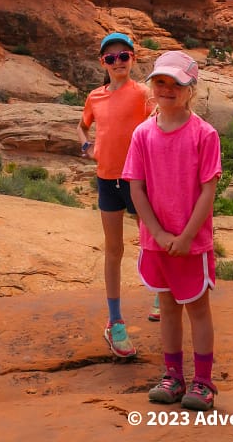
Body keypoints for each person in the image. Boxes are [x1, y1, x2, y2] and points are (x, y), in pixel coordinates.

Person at [122, 50, 221, 412]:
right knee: (166, 306)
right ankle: (173, 376)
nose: (167, 89)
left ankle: (204, 382)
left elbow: (208, 189)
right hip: (157, 240)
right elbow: (136, 188)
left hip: (191, 243)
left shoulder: (204, 134)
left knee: (197, 307)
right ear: (152, 87)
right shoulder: (143, 134)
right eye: (160, 82)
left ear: (190, 89)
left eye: (176, 84)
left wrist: (185, 236)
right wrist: (159, 234)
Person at [78, 32, 154, 359]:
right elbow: (83, 126)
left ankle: (161, 294)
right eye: (111, 58)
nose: (118, 62)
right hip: (108, 179)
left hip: (138, 179)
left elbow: (158, 122)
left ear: (133, 59)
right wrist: (87, 145)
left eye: (124, 56)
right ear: (103, 63)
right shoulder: (95, 97)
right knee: (114, 249)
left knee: (151, 238)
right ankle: (115, 322)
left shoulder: (144, 94)